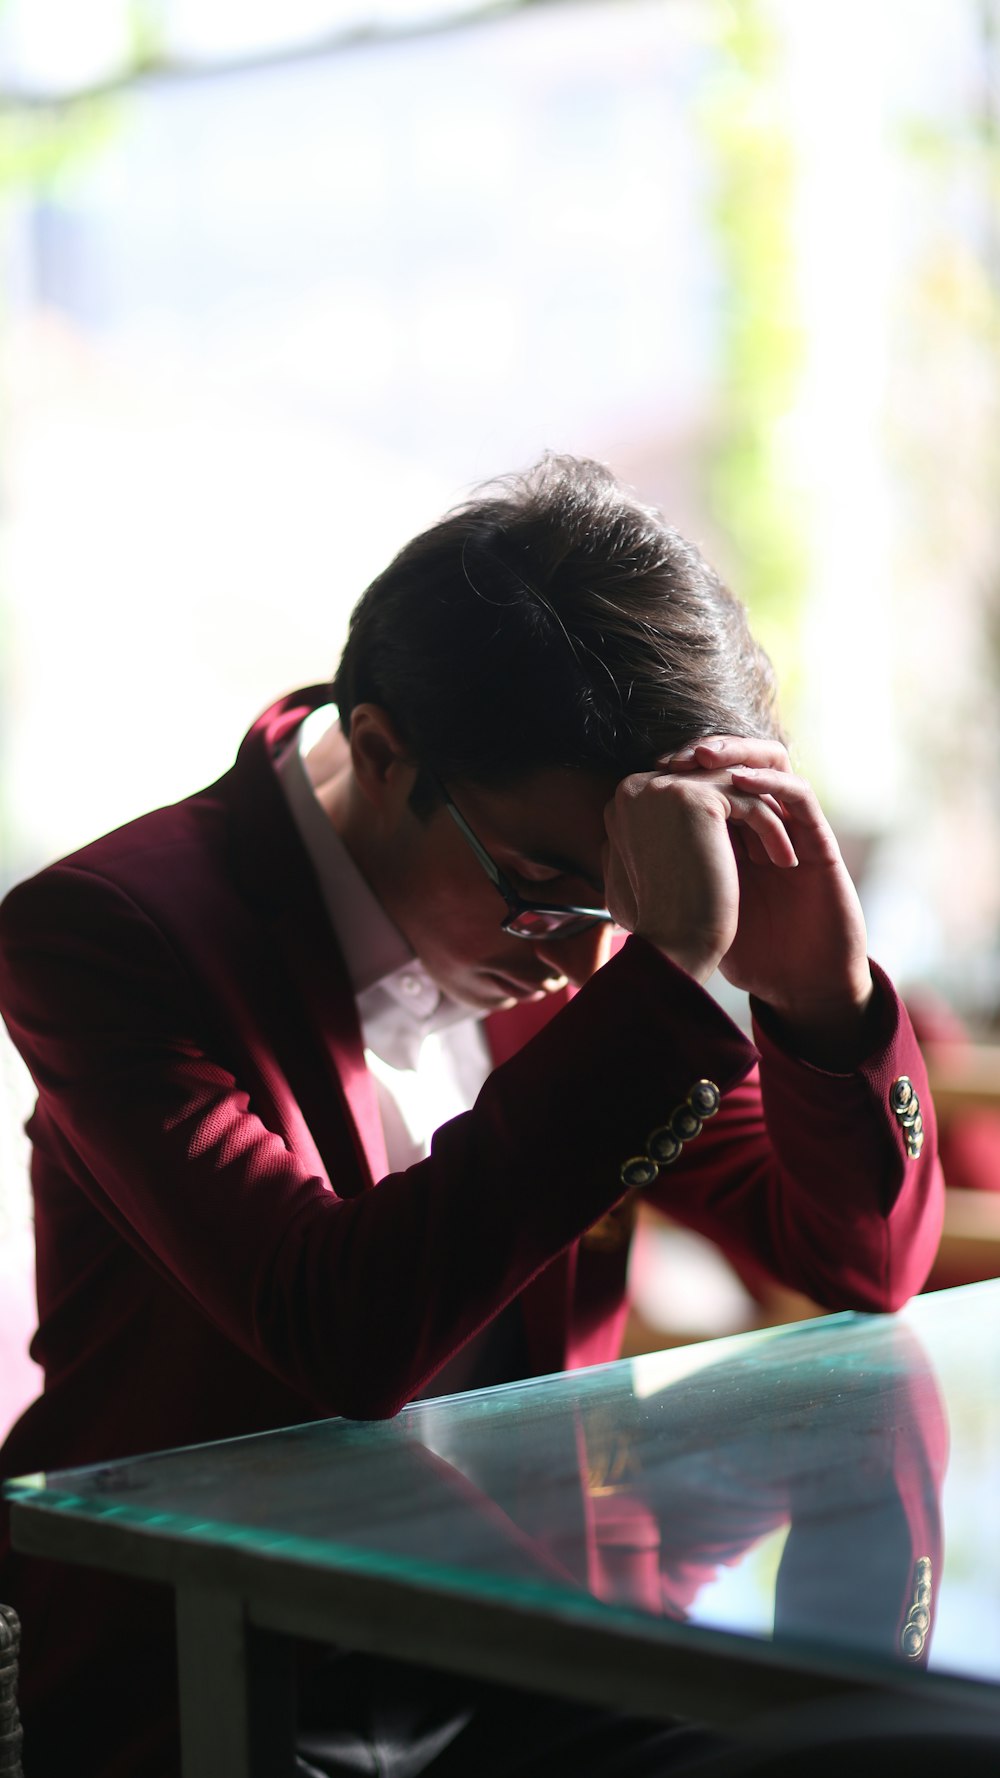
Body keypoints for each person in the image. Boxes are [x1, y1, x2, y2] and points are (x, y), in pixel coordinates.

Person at [0, 454, 943, 1776]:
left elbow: (863, 1258)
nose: (583, 958)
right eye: (552, 885)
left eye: (630, 901)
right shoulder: (113, 937)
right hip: (234, 1680)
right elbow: (340, 1327)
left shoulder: (598, 939)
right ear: (382, 752)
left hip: (540, 1640)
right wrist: (665, 980)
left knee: (928, 1737)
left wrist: (821, 1001)